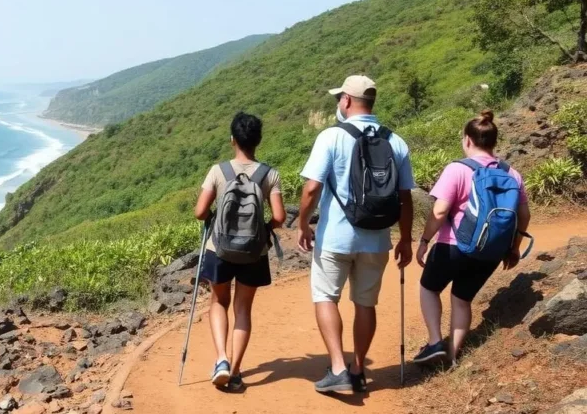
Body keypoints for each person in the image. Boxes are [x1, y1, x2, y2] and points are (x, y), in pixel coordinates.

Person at [296, 75, 415, 394]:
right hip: (377, 239)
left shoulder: (331, 137)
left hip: (335, 237)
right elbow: (405, 197)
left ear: (347, 100)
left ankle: (337, 368)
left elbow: (311, 188)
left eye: (339, 98)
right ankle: (359, 369)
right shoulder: (396, 141)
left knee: (325, 296)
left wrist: (303, 223)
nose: (338, 103)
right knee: (365, 304)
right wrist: (405, 238)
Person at [413, 110, 530, 366]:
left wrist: (424, 241)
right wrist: (513, 248)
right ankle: (452, 355)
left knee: (429, 288)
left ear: (467, 139)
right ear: (493, 141)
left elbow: (440, 210)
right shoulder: (513, 174)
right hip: (490, 252)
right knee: (462, 300)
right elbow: (524, 215)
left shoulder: (457, 169)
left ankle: (435, 343)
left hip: (452, 247)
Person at [194, 112, 286, 390]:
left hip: (219, 248)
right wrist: (263, 229)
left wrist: (214, 216)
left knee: (219, 302)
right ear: (257, 141)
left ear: (232, 139)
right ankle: (234, 371)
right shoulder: (269, 174)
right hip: (253, 253)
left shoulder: (218, 171)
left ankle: (221, 358)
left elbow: (199, 212)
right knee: (243, 308)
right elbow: (280, 217)